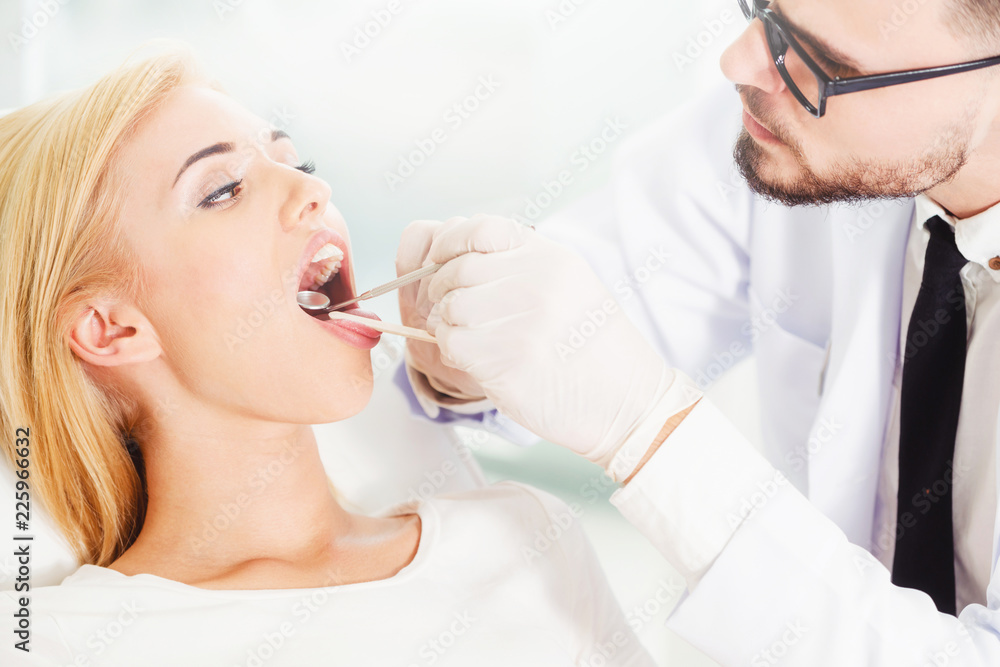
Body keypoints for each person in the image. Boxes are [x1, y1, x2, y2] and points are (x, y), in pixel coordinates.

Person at [0, 46, 659, 666]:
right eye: (223, 188)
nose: (311, 191)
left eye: (296, 163)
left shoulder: (527, 541)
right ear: (110, 330)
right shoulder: (54, 642)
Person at [393, 0, 1000, 662]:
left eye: (824, 63)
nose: (739, 61)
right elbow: (607, 294)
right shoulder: (787, 122)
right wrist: (467, 344)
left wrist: (651, 433)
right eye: (764, 9)